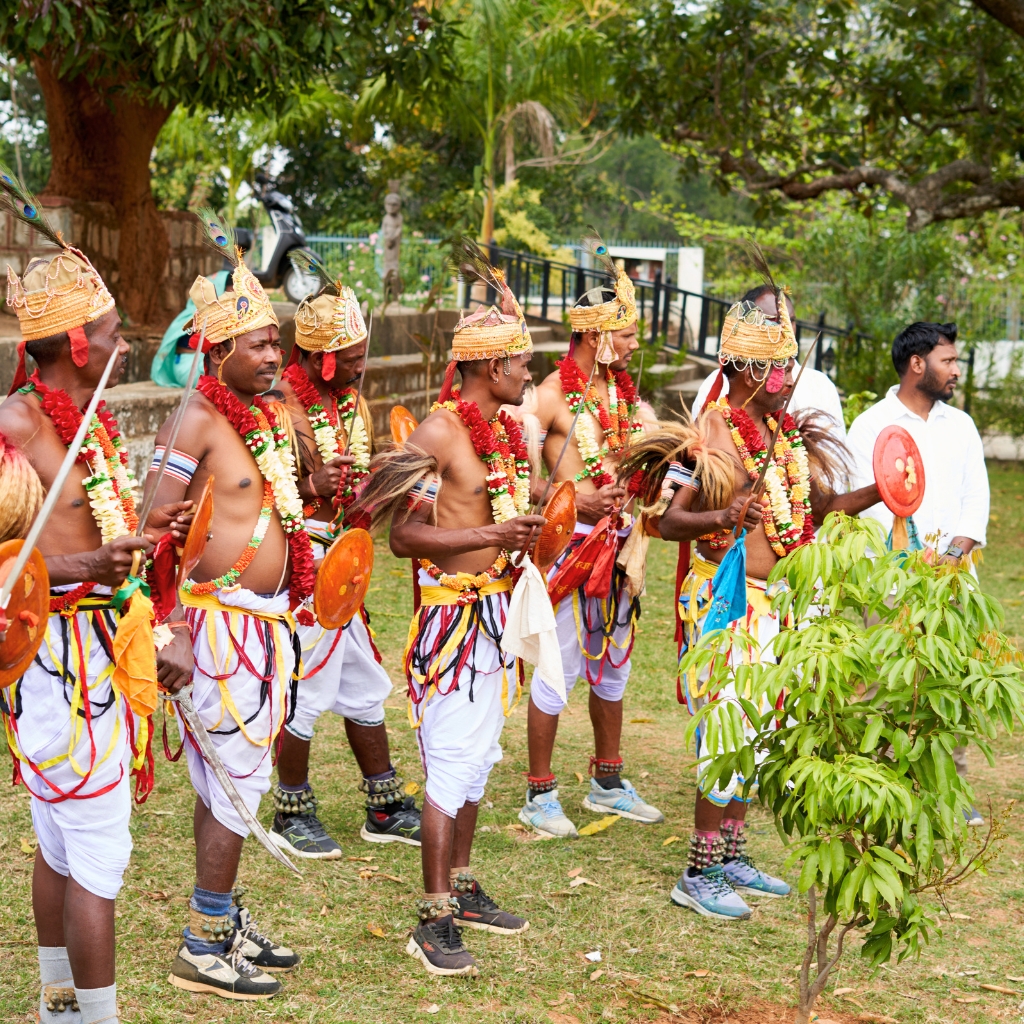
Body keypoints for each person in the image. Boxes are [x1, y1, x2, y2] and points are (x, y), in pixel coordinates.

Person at [620, 288, 881, 921]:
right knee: (729, 735)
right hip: (726, 603)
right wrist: (724, 513)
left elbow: (814, 513)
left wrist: (883, 492)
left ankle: (732, 855)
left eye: (790, 366)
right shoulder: (713, 430)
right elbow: (666, 521)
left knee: (757, 736)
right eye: (780, 367)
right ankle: (699, 870)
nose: (789, 379)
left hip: (775, 603)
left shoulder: (779, 432)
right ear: (746, 370)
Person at [0, 228, 194, 1024]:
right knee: (96, 859)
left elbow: (85, 532)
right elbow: (17, 557)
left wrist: (145, 542)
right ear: (77, 343)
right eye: (112, 334)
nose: (125, 344)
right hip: (57, 664)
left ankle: (59, 1004)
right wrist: (85, 572)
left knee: (59, 842)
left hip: (102, 650)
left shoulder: (91, 421)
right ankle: (94, 1017)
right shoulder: (16, 426)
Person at [355, 248, 546, 977]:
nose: (530, 372)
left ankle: (462, 888)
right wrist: (491, 535)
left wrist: (536, 524)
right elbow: (399, 532)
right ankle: (431, 918)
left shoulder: (498, 431)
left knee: (476, 766)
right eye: (521, 362)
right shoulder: (439, 430)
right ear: (489, 369)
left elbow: (491, 511)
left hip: (497, 616)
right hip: (454, 624)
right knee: (451, 768)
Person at [146, 228, 311, 1000]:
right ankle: (204, 942)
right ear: (219, 354)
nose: (276, 357)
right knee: (236, 780)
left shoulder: (270, 416)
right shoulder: (194, 421)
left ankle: (224, 917)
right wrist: (170, 624)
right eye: (259, 345)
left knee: (232, 786)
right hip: (217, 627)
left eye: (277, 343)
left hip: (268, 624)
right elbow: (150, 525)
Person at [517, 244, 663, 839]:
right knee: (559, 669)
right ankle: (539, 792)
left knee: (613, 671)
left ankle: (607, 782)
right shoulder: (550, 396)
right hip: (573, 548)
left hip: (621, 550)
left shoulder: (623, 395)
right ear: (596, 335)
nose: (632, 346)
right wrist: (576, 499)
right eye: (625, 335)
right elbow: (524, 483)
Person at [271, 281, 421, 858]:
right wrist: (312, 486)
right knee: (304, 688)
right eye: (351, 360)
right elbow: (256, 491)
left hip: (344, 557)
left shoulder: (351, 403)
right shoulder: (279, 403)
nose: (360, 370)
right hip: (298, 563)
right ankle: (292, 808)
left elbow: (359, 485)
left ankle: (382, 805)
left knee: (361, 684)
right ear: (316, 359)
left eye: (362, 357)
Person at [847, 320, 989, 825]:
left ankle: (950, 787)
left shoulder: (961, 426)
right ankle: (885, 786)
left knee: (949, 683)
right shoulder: (870, 425)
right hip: (890, 581)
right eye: (948, 360)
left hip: (954, 580)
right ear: (917, 364)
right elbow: (866, 506)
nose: (955, 370)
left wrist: (953, 555)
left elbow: (977, 501)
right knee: (889, 683)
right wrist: (906, 561)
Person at [691, 285, 846, 436]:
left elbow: (836, 458)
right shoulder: (716, 385)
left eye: (790, 320)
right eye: (774, 321)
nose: (786, 329)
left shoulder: (821, 386)